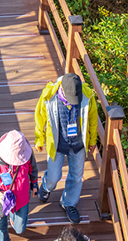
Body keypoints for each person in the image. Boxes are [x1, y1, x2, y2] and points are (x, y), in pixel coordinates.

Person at [35, 73, 98, 225]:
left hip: (78, 142)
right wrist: (39, 138)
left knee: (77, 175)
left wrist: (92, 140)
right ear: (62, 89)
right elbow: (40, 117)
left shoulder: (87, 95)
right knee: (54, 175)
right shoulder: (49, 96)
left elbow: (93, 119)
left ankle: (69, 202)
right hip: (57, 142)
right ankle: (46, 186)